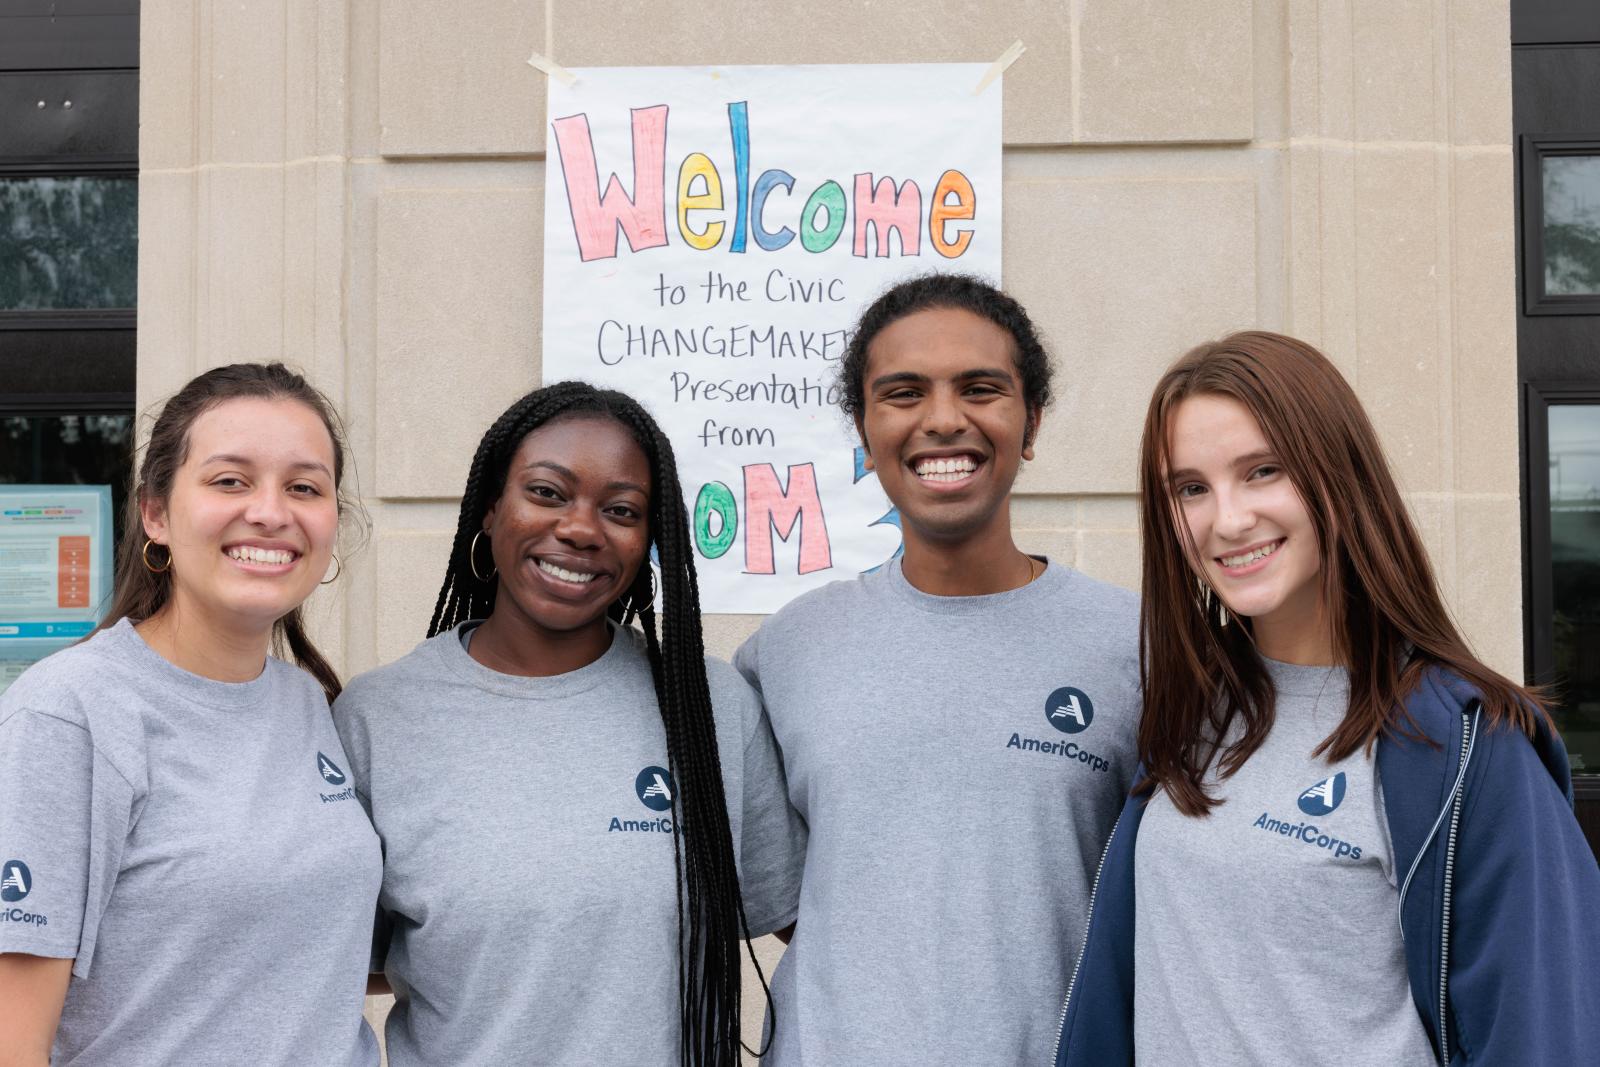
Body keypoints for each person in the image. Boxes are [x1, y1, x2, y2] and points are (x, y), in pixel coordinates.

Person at [1053, 331, 1600, 1066]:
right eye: (1191, 487)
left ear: (1336, 474)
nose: (1228, 519)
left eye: (1263, 471)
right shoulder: (1190, 714)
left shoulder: (1470, 745)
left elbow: (1543, 1038)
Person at [733, 273, 1142, 1065]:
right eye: (904, 393)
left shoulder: (1139, 644)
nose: (944, 419)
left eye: (981, 389)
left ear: (1031, 422)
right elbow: (785, 895)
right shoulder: (786, 652)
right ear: (865, 427)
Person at [331, 381, 803, 1066]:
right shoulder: (377, 719)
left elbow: (811, 927)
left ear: (650, 539)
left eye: (621, 509)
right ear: (490, 510)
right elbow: (333, 958)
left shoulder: (712, 708)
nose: (581, 527)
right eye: (547, 492)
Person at [0, 363, 381, 1066]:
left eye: (304, 486)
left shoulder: (310, 703)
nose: (270, 511)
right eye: (230, 480)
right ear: (156, 513)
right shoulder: (70, 712)